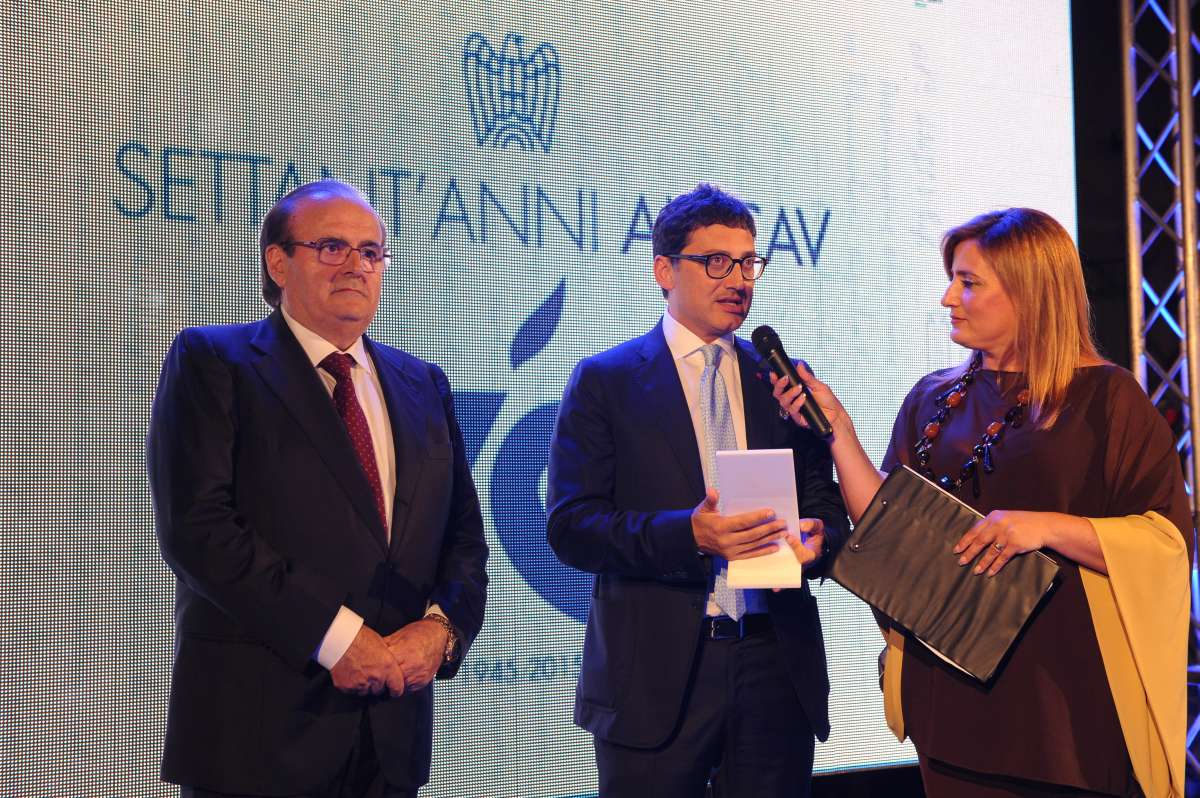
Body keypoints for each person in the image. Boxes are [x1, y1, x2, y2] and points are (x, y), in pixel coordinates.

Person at [774, 207, 1192, 797]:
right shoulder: (932, 397)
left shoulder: (1109, 400)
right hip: (948, 706)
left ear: (1031, 293)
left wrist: (1046, 527)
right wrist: (838, 429)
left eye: (968, 283)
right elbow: (885, 529)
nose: (948, 297)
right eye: (953, 280)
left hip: (1062, 716)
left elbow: (1166, 542)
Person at [147, 179, 489, 798]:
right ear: (278, 263)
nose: (356, 265)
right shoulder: (215, 360)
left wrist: (441, 631)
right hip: (255, 737)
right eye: (332, 247)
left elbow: (464, 540)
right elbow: (199, 531)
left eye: (371, 251)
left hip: (392, 738)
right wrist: (335, 639)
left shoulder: (423, 383)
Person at [546, 183, 849, 797]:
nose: (738, 280)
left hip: (772, 665)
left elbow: (825, 501)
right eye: (716, 262)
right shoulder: (607, 380)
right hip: (654, 675)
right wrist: (690, 534)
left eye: (748, 262)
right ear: (665, 270)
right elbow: (572, 526)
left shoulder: (779, 378)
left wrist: (819, 538)